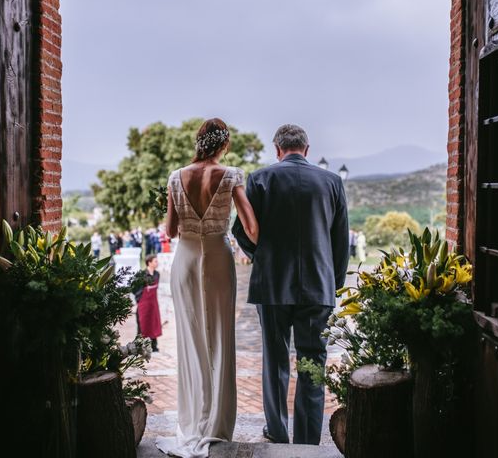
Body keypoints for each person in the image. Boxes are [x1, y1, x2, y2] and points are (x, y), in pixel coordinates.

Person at [233, 124, 349, 445]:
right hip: (318, 285)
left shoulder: (260, 179)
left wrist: (263, 256)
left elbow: (241, 230)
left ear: (278, 150)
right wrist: (334, 283)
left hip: (272, 285)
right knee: (313, 360)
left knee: (274, 358)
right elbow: (341, 242)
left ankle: (277, 430)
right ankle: (309, 439)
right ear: (307, 150)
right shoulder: (333, 182)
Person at [155, 118, 258, 457]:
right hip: (216, 256)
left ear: (200, 141)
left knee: (190, 340)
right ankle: (215, 423)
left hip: (185, 259)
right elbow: (252, 228)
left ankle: (193, 419)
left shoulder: (175, 177)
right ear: (223, 144)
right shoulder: (230, 176)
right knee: (219, 338)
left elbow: (170, 231)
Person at [137, 254, 162, 352]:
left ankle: (154, 346)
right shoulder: (142, 274)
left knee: (154, 323)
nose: (157, 263)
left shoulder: (157, 274)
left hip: (153, 303)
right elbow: (136, 288)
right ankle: (139, 346)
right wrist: (139, 299)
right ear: (149, 262)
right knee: (143, 324)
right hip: (144, 303)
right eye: (155, 261)